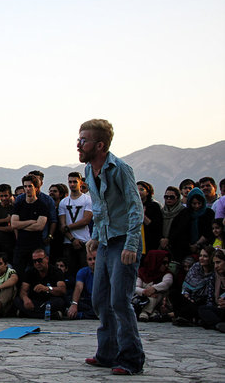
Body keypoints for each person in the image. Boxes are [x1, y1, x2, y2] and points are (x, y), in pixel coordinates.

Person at [79, 118, 145, 375]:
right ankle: (106, 353)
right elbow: (99, 208)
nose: (78, 145)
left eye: (83, 140)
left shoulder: (120, 169)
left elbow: (135, 207)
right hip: (105, 242)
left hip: (124, 242)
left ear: (100, 145)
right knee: (100, 299)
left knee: (120, 301)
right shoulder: (88, 171)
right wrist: (95, 235)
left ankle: (132, 358)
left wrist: (131, 244)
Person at [11, 174, 48, 277]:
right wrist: (31, 221)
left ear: (36, 188)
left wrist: (21, 225)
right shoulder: (19, 205)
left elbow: (39, 226)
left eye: (30, 186)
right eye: (25, 186)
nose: (27, 189)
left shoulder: (42, 206)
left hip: (36, 245)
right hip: (21, 245)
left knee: (35, 273)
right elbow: (13, 224)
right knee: (18, 272)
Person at [167, 188, 215, 262]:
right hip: (185, 250)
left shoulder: (209, 213)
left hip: (205, 248)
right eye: (194, 203)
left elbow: (209, 231)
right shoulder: (184, 214)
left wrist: (197, 244)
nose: (197, 206)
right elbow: (178, 231)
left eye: (199, 203)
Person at [15, 249, 66, 319]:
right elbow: (23, 290)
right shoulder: (30, 272)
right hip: (35, 301)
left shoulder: (56, 272)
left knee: (59, 302)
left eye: (39, 260)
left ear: (47, 259)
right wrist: (25, 298)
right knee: (17, 300)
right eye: (34, 261)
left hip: (49, 301)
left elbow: (62, 290)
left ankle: (28, 314)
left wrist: (47, 289)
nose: (37, 263)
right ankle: (51, 316)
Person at [58, 172, 93, 276]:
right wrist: (72, 239)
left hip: (84, 240)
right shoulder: (63, 202)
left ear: (80, 182)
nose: (72, 184)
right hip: (69, 242)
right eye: (70, 182)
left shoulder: (87, 200)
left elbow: (86, 220)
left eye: (74, 182)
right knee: (70, 271)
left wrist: (68, 227)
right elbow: (62, 224)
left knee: (85, 270)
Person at [171, 247, 215, 326]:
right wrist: (187, 295)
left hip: (203, 302)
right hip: (191, 298)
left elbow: (210, 295)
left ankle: (188, 318)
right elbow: (186, 284)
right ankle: (183, 317)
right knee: (173, 294)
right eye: (200, 256)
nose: (202, 258)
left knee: (201, 306)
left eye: (205, 256)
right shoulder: (196, 267)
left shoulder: (214, 273)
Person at [134, 250, 173, 321]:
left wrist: (154, 289)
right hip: (143, 298)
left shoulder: (167, 273)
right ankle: (152, 313)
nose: (166, 265)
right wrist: (145, 292)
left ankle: (145, 312)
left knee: (157, 294)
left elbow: (166, 283)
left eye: (168, 263)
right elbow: (135, 287)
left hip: (159, 301)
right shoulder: (142, 272)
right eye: (164, 263)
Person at [197, 248, 225, 332]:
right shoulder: (215, 277)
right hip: (220, 309)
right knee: (202, 309)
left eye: (218, 262)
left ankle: (216, 324)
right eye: (214, 263)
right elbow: (210, 299)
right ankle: (218, 325)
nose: (216, 266)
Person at [67, 250, 98, 320]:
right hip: (88, 301)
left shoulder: (105, 271)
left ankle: (81, 315)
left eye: (95, 258)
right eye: (90, 259)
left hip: (100, 301)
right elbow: (78, 287)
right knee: (68, 300)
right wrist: (74, 304)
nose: (93, 262)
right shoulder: (83, 272)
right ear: (86, 261)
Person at [137, 181, 163, 253]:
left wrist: (143, 216)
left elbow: (155, 226)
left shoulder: (154, 206)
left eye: (141, 189)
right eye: (136, 189)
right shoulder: (131, 206)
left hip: (149, 242)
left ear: (148, 192)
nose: (138, 192)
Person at [159, 187, 185, 252]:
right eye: (166, 197)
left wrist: (169, 240)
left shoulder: (183, 211)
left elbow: (181, 228)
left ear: (177, 198)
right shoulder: (161, 212)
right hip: (161, 244)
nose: (168, 199)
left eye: (172, 197)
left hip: (177, 246)